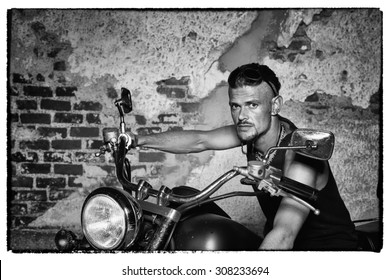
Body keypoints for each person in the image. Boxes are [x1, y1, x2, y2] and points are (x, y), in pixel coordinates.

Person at [131, 63, 358, 250]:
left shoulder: (299, 152)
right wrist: (135, 140)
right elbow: (200, 140)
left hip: (327, 254)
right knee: (182, 199)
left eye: (252, 105)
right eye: (236, 106)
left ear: (275, 105)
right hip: (282, 248)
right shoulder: (251, 131)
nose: (242, 115)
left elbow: (284, 234)